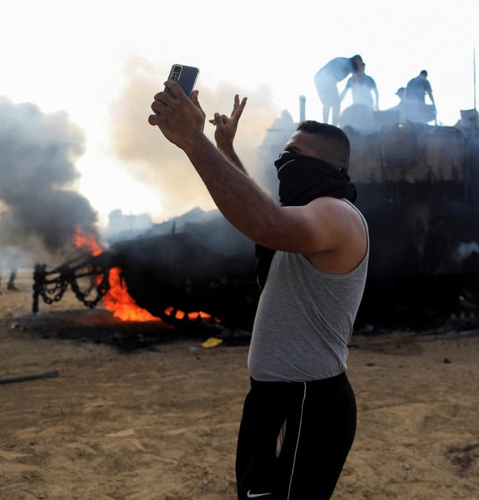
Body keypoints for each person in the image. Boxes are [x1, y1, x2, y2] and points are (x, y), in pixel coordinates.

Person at [149, 78, 370, 500]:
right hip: (273, 394)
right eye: (284, 153)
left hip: (309, 400)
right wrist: (226, 149)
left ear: (333, 167)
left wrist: (196, 144)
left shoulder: (338, 216)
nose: (284, 161)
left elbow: (265, 222)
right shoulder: (305, 216)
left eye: (295, 154)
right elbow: (266, 214)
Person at [314, 54, 363, 125]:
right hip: (325, 79)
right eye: (359, 63)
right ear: (356, 60)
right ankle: (331, 125)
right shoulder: (348, 63)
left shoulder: (347, 64)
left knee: (329, 103)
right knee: (333, 103)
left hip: (321, 79)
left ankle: (327, 124)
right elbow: (356, 78)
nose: (359, 65)